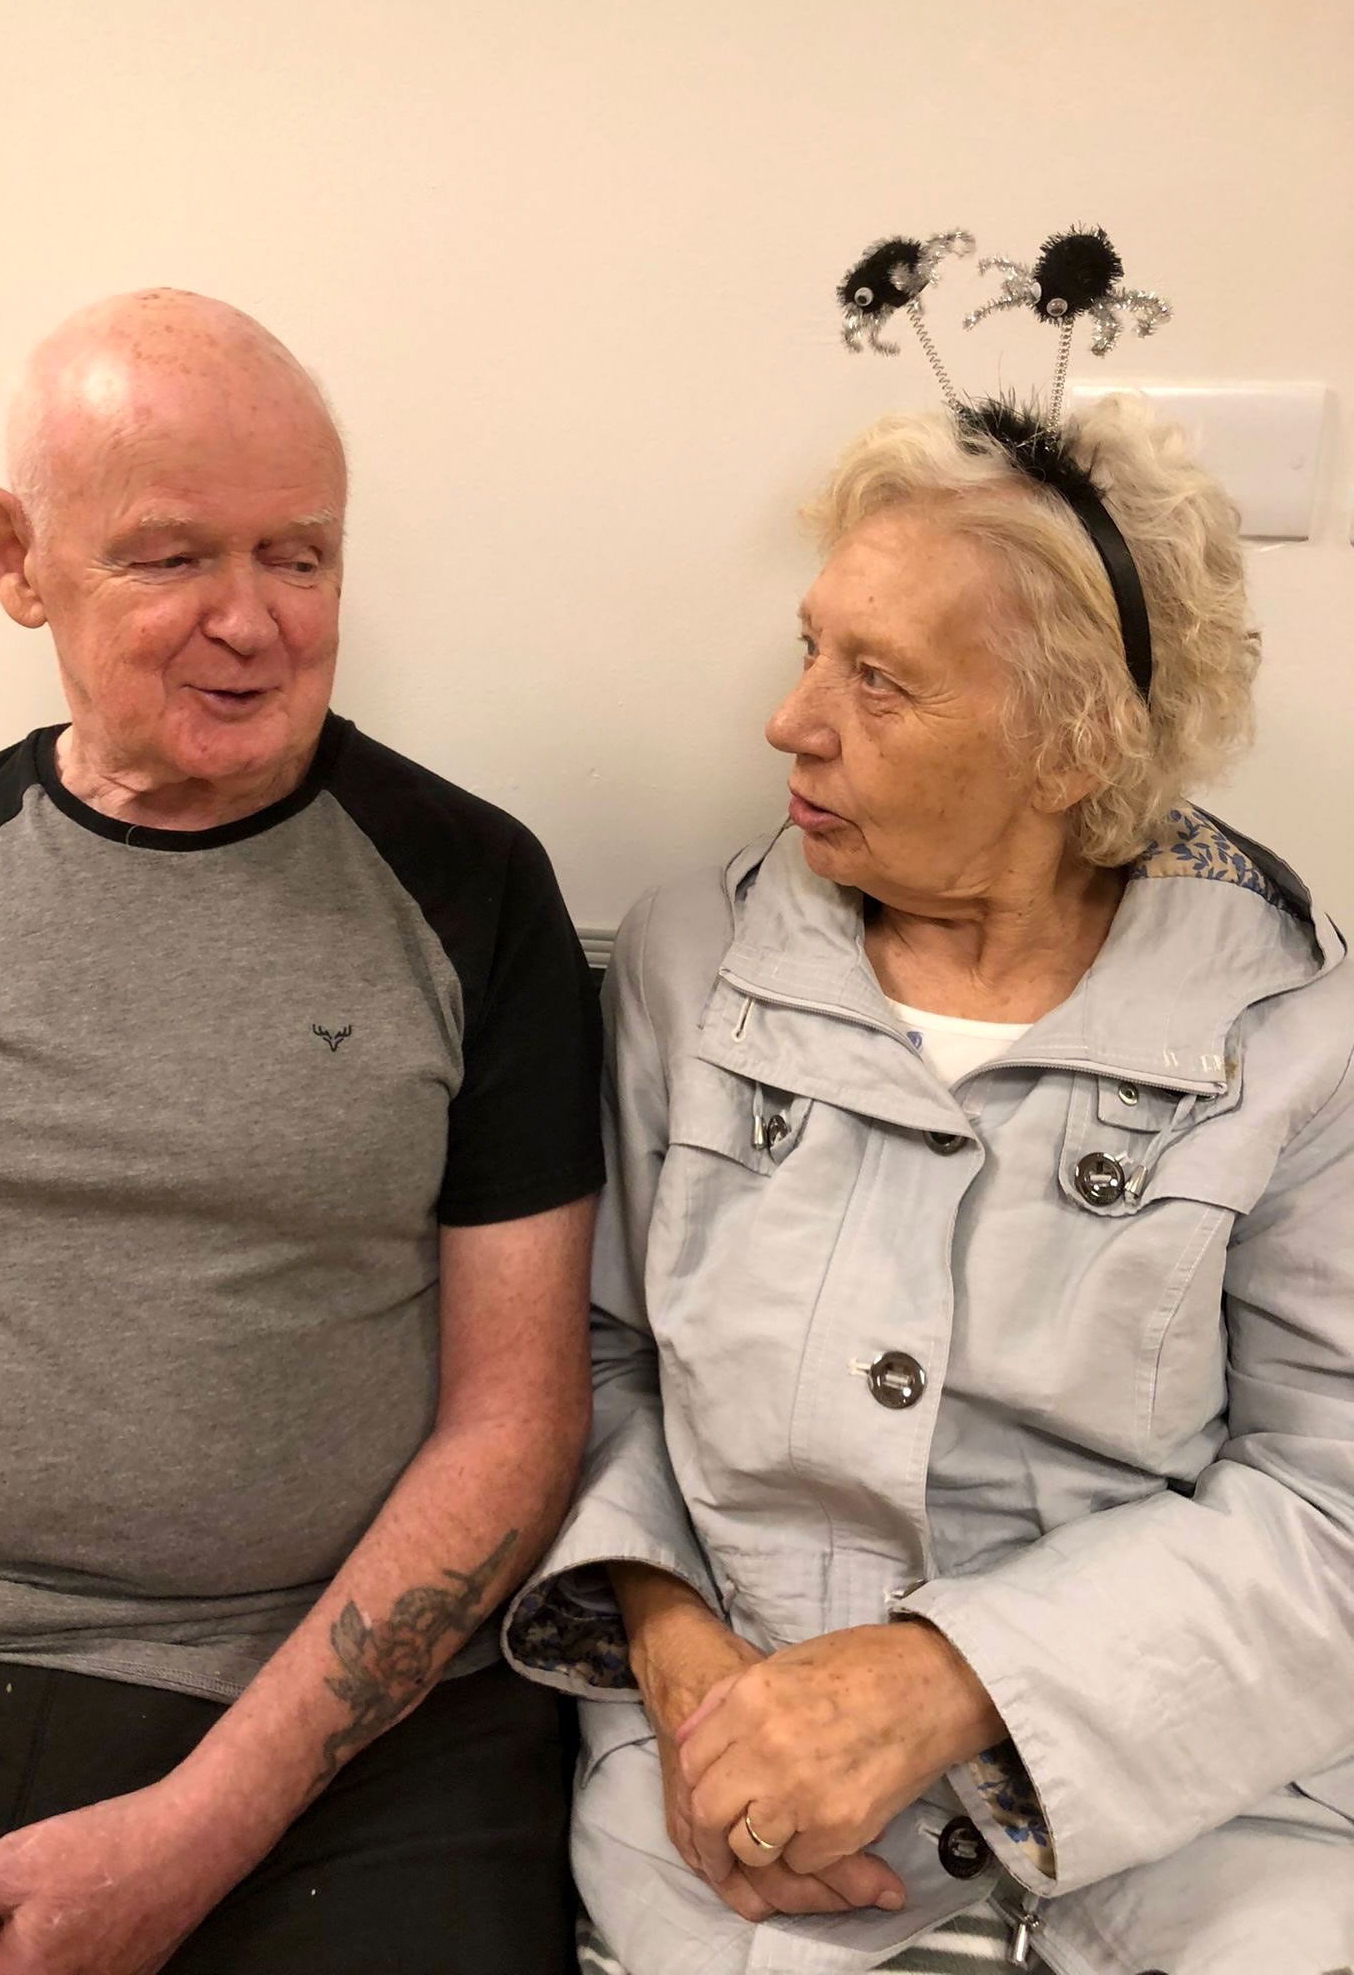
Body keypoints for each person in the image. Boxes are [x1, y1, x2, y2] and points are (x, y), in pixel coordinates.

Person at [506, 395, 1354, 1975]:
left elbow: (1333, 1499)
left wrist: (946, 1678)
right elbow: (601, 1360)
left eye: (879, 680)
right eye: (811, 648)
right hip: (737, 1793)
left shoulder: (1300, 1040)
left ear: (1075, 743)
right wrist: (675, 1650)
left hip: (1197, 1806)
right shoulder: (693, 966)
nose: (791, 721)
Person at [0, 290, 603, 1975]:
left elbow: (517, 1427)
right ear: (17, 560)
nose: (252, 623)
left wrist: (192, 1837)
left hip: (349, 1727)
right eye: (172, 558)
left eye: (298, 557)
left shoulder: (473, 891)